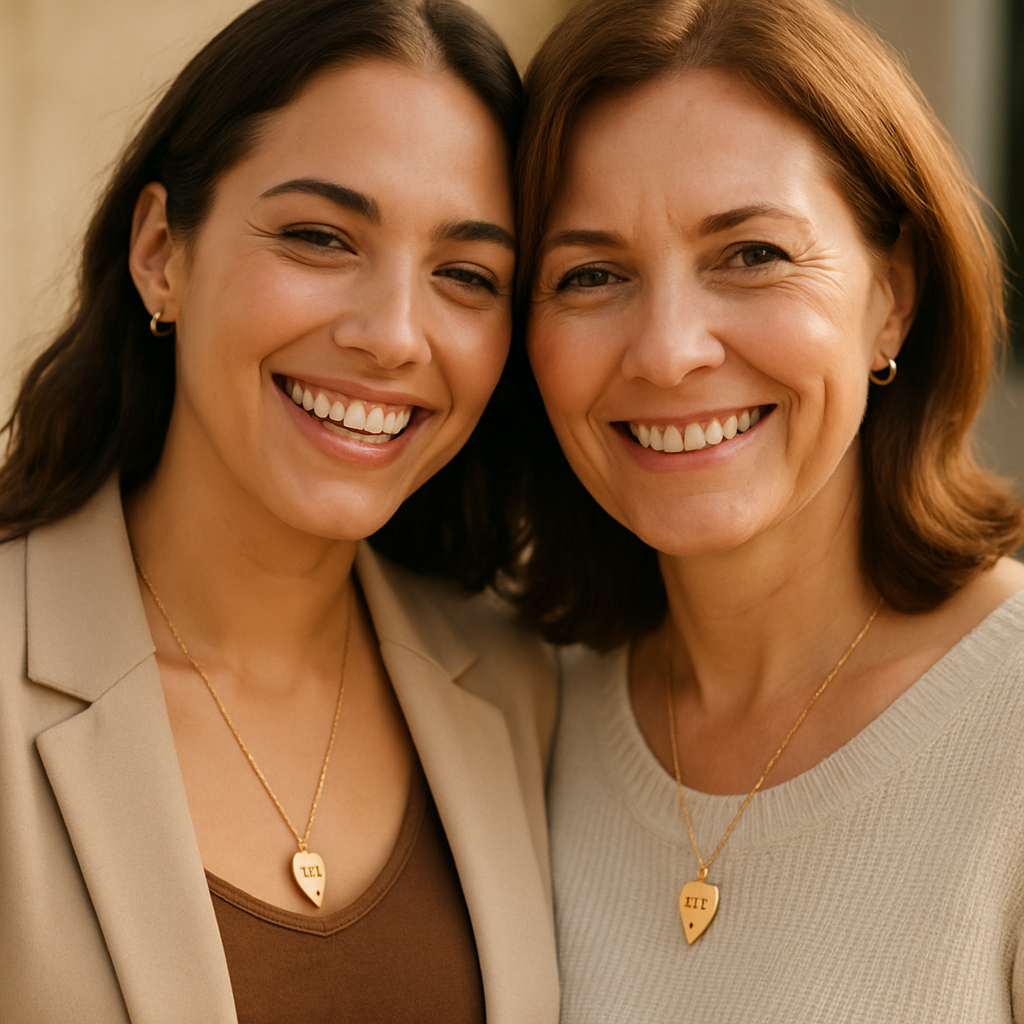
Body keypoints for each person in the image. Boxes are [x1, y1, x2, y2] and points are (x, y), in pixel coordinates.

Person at [0, 1, 559, 1021]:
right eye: (318, 237)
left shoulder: (526, 689)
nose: (392, 335)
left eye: (466, 274)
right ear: (162, 249)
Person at [512, 0, 1024, 1019]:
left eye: (751, 254)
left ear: (893, 295)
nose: (666, 350)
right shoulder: (516, 707)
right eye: (591, 273)